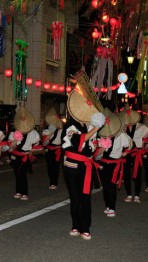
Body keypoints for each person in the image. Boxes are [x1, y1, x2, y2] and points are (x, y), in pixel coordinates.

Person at [62, 83, 106, 241]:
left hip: (86, 165)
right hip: (72, 165)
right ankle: (75, 225)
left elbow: (91, 145)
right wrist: (96, 128)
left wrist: (99, 146)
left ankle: (85, 228)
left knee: (85, 197)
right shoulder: (70, 125)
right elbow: (77, 140)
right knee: (75, 197)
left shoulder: (90, 125)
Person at [97, 108, 132, 218]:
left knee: (112, 185)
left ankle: (112, 208)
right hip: (103, 163)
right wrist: (102, 147)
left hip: (114, 163)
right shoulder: (101, 134)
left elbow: (130, 144)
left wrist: (125, 153)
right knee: (106, 186)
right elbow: (97, 153)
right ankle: (108, 205)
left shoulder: (121, 134)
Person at [119, 104, 148, 203]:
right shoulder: (122, 127)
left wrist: (143, 146)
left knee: (137, 174)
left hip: (137, 153)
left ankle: (137, 195)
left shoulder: (140, 127)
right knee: (127, 173)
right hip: (126, 153)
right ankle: (129, 194)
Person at [8, 107, 40, 201]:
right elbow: (11, 147)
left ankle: (24, 192)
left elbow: (37, 142)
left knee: (22, 174)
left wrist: (31, 150)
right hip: (15, 155)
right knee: (17, 173)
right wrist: (16, 139)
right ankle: (18, 191)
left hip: (25, 156)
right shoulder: (14, 132)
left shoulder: (32, 132)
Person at [42, 107, 63, 190]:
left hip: (57, 150)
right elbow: (44, 143)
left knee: (56, 167)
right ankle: (51, 182)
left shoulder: (61, 130)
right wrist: (51, 133)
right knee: (50, 167)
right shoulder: (46, 130)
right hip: (49, 150)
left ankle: (54, 183)